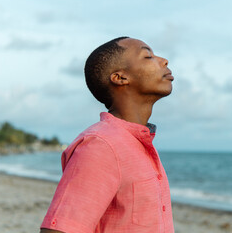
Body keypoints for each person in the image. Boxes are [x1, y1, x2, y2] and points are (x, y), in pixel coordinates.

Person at [40, 37, 175, 233]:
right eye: (148, 56)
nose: (164, 61)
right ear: (120, 78)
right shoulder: (101, 145)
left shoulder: (140, 143)